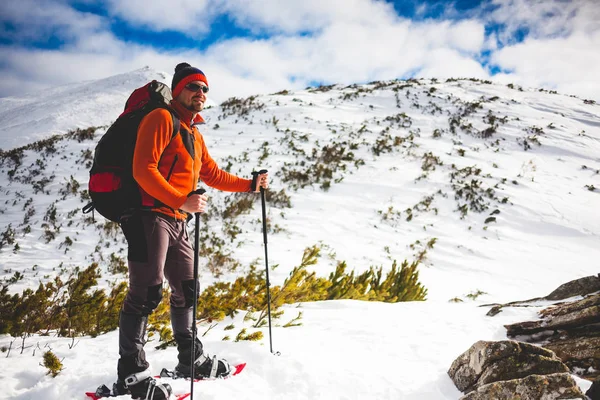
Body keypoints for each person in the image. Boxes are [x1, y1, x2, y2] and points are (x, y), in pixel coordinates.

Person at [115, 62, 269, 399]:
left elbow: (211, 173)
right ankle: (131, 373)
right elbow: (144, 169)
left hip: (177, 221)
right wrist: (181, 200)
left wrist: (249, 186)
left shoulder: (194, 134)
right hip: (148, 216)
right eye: (193, 87)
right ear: (178, 90)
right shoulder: (160, 119)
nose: (200, 94)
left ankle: (191, 360)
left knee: (188, 289)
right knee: (146, 293)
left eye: (204, 89)